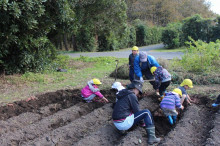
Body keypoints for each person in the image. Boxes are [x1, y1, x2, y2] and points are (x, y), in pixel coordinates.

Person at [112, 80, 160, 145]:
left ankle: (123, 131)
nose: (138, 94)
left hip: (116, 123)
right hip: (123, 123)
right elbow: (137, 111)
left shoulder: (124, 94)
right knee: (146, 112)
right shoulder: (131, 95)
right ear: (135, 89)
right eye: (138, 91)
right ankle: (152, 138)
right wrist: (142, 124)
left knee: (132, 112)